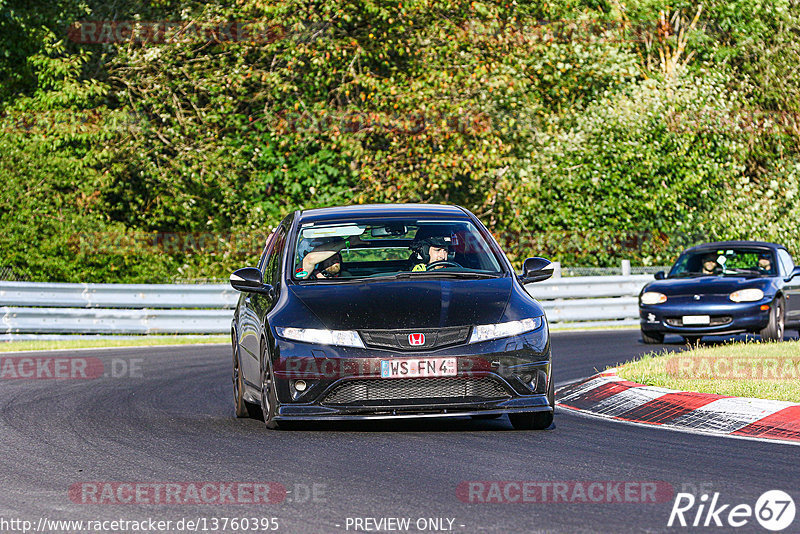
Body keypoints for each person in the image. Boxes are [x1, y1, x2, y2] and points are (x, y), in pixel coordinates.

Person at [298, 234, 365, 279]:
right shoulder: (306, 276)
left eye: (337, 253)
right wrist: (349, 241)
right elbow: (310, 259)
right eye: (330, 255)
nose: (336, 258)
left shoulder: (345, 277)